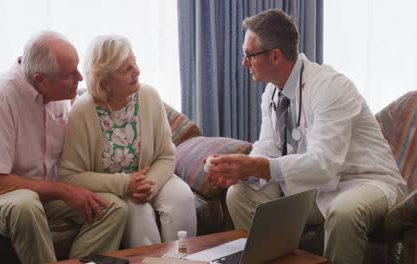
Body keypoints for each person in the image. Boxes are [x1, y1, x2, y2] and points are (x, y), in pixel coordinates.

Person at [205, 9, 407, 264]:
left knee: (344, 212)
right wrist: (238, 169)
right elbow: (267, 149)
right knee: (240, 195)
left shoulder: (330, 87)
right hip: (317, 188)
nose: (244, 62)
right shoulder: (271, 93)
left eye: (248, 55)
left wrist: (258, 166)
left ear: (275, 56)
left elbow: (324, 163)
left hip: (365, 182)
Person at [0, 31, 128, 264]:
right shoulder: (0, 99)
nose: (80, 78)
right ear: (40, 79)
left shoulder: (61, 92)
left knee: (113, 208)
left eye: (76, 69)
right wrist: (62, 190)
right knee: (25, 204)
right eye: (70, 74)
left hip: (40, 196)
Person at [60, 34, 197, 248]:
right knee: (138, 212)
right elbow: (70, 176)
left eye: (135, 63)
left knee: (182, 197)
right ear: (104, 80)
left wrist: (147, 185)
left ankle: (184, 260)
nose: (137, 71)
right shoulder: (82, 111)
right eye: (127, 69)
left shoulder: (149, 96)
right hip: (116, 189)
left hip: (151, 179)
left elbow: (166, 154)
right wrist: (125, 184)